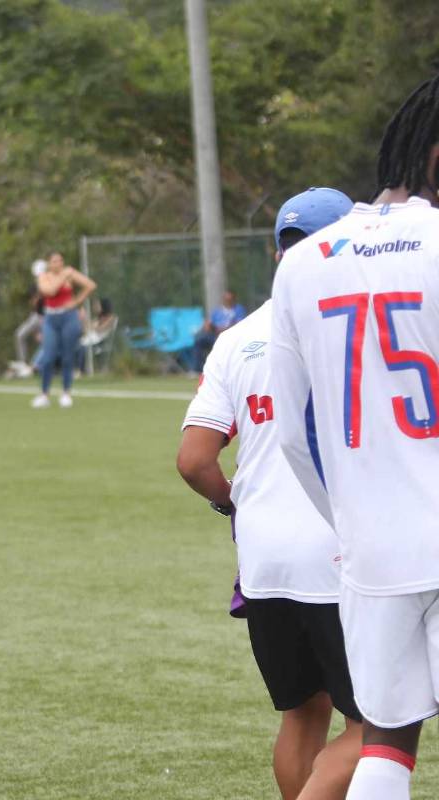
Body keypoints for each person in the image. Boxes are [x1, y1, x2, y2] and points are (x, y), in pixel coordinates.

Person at [270, 75, 439, 800]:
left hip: (372, 547)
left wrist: (350, 519)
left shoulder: (304, 263)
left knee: (386, 741)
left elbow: (293, 432)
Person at [178, 187, 360, 800]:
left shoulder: (237, 337)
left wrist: (235, 504)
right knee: (381, 724)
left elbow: (195, 460)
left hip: (263, 561)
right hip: (343, 556)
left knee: (303, 714)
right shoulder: (358, 323)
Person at [32, 252, 96, 408]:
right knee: (48, 357)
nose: (58, 264)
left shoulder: (70, 273)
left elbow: (90, 285)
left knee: (68, 356)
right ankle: (44, 393)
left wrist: (76, 301)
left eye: (60, 260)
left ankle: (66, 393)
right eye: (54, 261)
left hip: (69, 317)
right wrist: (64, 276)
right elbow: (49, 291)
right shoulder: (43, 277)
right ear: (49, 264)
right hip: (50, 318)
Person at [8, 259, 46, 378]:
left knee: (48, 343)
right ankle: (23, 363)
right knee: (19, 334)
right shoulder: (34, 286)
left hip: (49, 316)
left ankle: (35, 366)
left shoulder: (51, 283)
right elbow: (34, 303)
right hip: (37, 316)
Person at [193, 289, 247, 372]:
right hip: (214, 335)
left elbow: (239, 324)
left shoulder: (239, 310)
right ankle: (198, 370)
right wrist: (208, 326)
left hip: (231, 337)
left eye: (230, 299)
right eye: (226, 299)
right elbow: (209, 325)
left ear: (234, 299)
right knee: (199, 341)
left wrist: (223, 329)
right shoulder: (217, 311)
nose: (227, 301)